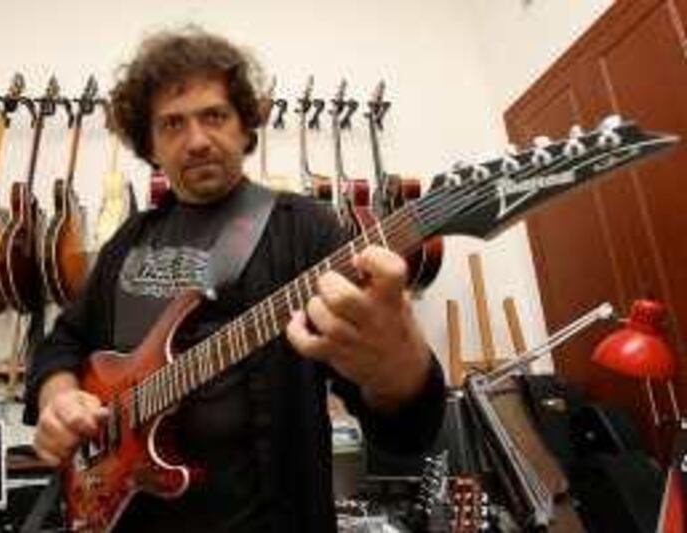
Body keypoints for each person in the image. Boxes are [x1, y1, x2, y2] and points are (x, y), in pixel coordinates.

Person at [24, 27, 445, 533]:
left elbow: (403, 430)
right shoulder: (129, 240)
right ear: (150, 145)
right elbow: (64, 343)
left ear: (246, 127)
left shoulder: (304, 228)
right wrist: (58, 399)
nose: (197, 140)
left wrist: (397, 366)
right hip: (127, 513)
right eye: (173, 124)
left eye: (214, 116)